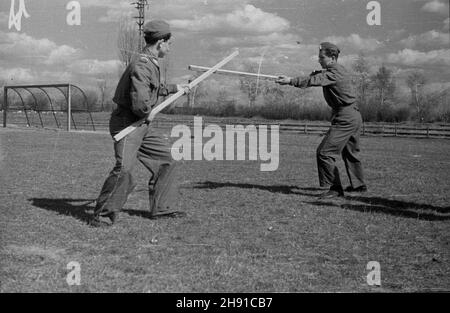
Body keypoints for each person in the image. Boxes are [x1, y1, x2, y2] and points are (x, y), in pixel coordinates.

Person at [90, 20, 189, 227]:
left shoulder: (151, 63)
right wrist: (147, 112)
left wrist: (175, 88)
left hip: (142, 124)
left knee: (167, 160)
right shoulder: (142, 65)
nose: (169, 48)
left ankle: (162, 209)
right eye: (169, 44)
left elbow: (154, 88)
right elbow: (140, 104)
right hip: (128, 124)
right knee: (124, 169)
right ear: (161, 43)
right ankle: (102, 216)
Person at [276, 42, 367, 199]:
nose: (319, 60)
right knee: (351, 152)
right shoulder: (336, 70)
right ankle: (359, 185)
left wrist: (291, 81)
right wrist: (315, 73)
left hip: (346, 117)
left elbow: (316, 80)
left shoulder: (334, 73)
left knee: (324, 152)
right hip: (352, 115)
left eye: (321, 57)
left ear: (332, 58)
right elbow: (320, 76)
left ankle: (335, 188)